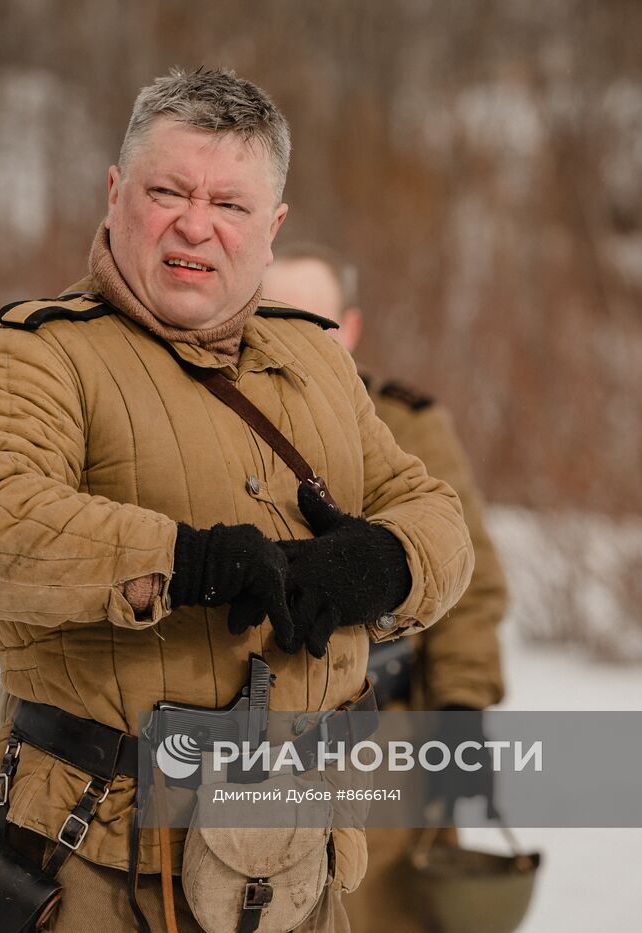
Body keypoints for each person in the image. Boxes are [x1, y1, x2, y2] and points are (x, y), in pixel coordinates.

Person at [0, 69, 474, 932]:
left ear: (273, 228)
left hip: (297, 861)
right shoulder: (34, 357)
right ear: (115, 193)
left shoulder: (317, 360)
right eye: (167, 190)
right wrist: (184, 562)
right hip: (96, 860)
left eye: (230, 204)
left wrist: (385, 562)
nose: (194, 224)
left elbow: (434, 513)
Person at [265, 244, 509, 933]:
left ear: (350, 326)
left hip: (384, 736)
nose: (296, 337)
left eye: (314, 320)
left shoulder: (402, 424)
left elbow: (473, 585)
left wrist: (463, 709)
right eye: (273, 315)